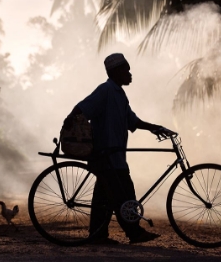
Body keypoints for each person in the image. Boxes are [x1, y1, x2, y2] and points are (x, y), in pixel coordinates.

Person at [63, 53, 176, 245]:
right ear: (116, 72)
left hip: (114, 156)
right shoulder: (105, 90)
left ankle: (98, 235)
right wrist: (70, 124)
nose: (130, 74)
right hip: (105, 154)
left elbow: (133, 121)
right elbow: (82, 108)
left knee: (105, 196)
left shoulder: (119, 95)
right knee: (123, 194)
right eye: (126, 70)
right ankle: (134, 233)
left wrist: (155, 128)